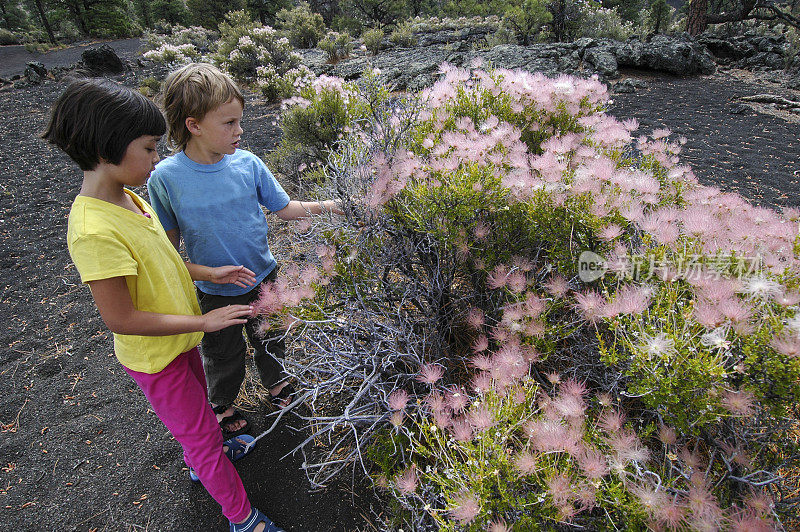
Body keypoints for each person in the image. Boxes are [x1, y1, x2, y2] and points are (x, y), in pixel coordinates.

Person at [43, 78, 283, 532]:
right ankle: (242, 517)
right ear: (107, 147)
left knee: (203, 418)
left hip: (180, 340)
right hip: (158, 359)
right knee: (200, 437)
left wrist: (209, 274)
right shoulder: (94, 229)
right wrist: (204, 319)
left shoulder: (130, 199)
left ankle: (203, 460)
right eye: (149, 148)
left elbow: (164, 261)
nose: (157, 159)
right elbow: (120, 318)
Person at [148, 62, 340, 438]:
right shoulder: (166, 179)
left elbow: (286, 210)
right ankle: (222, 400)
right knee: (224, 353)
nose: (240, 131)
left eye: (239, 121)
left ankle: (277, 384)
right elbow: (167, 254)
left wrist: (336, 205)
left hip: (264, 276)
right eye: (229, 123)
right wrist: (206, 274)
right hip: (214, 291)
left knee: (271, 337)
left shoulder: (248, 164)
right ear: (193, 125)